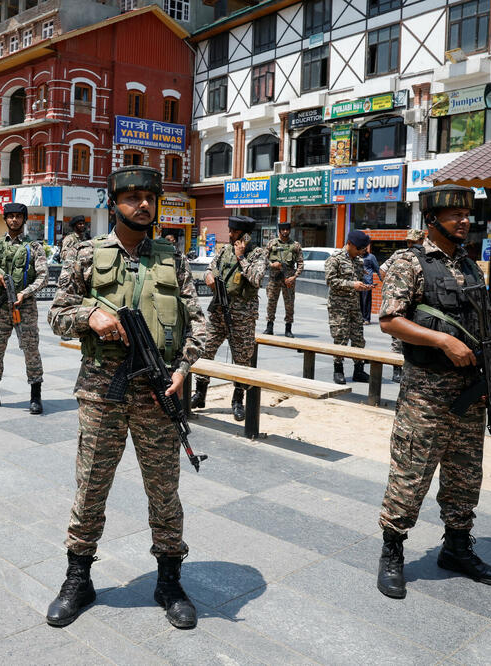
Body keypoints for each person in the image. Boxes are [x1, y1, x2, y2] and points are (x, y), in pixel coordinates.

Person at [46, 165, 206, 630]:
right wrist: (89, 315)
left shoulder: (172, 258)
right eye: (132, 196)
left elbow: (199, 322)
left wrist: (182, 368)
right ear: (113, 202)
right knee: (91, 486)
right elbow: (56, 314)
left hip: (158, 395)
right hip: (102, 391)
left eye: (149, 197)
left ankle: (169, 580)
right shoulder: (85, 255)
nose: (142, 204)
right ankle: (78, 577)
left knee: (164, 490)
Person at [375, 184, 491, 600]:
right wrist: (443, 342)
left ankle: (456, 546)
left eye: (467, 215)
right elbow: (390, 320)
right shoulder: (408, 263)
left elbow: (485, 325)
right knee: (411, 473)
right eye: (455, 216)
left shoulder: (470, 265)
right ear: (432, 221)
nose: (464, 221)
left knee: (465, 475)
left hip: (471, 393)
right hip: (426, 396)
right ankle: (393, 550)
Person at [190, 215, 268, 421]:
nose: (230, 234)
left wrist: (241, 257)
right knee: (205, 351)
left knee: (242, 358)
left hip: (242, 316)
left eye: (234, 232)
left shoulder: (257, 254)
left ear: (245, 235)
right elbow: (211, 268)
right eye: (230, 230)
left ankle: (237, 400)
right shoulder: (225, 250)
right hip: (218, 312)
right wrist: (207, 276)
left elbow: (256, 279)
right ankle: (200, 393)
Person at [0, 202, 49, 414]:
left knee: (31, 349)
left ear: (24, 219)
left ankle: (35, 395)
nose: (14, 220)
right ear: (5, 219)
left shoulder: (34, 247)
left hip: (24, 307)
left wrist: (24, 293)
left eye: (18, 216)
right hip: (0, 308)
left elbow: (44, 277)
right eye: (10, 216)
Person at [325, 230, 372, 384]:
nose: (361, 252)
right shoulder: (334, 259)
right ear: (349, 244)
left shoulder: (358, 261)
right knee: (340, 337)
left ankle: (359, 369)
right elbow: (331, 281)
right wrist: (352, 284)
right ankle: (338, 370)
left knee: (358, 337)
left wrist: (364, 286)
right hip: (338, 306)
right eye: (359, 248)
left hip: (354, 305)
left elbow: (357, 280)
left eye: (363, 249)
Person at [379, 228, 425, 381]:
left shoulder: (426, 256)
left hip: (418, 305)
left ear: (421, 241)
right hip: (401, 301)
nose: (410, 244)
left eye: (414, 241)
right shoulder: (399, 254)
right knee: (397, 339)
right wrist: (391, 286)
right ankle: (396, 369)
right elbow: (382, 269)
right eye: (408, 241)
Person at [263, 222, 304, 337]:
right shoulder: (271, 243)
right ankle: (269, 326)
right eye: (283, 229)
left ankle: (288, 328)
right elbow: (263, 259)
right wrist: (272, 265)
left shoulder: (295, 245)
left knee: (289, 303)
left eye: (287, 229)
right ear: (279, 230)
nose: (285, 231)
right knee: (271, 302)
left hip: (288, 279)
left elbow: (300, 263)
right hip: (274, 278)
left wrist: (294, 277)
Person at [361, 244, 381, 324]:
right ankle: (360, 318)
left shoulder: (371, 257)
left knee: (366, 301)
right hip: (358, 281)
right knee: (359, 301)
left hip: (367, 282)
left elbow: (377, 268)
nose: (364, 249)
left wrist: (382, 279)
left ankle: (366, 319)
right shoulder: (357, 256)